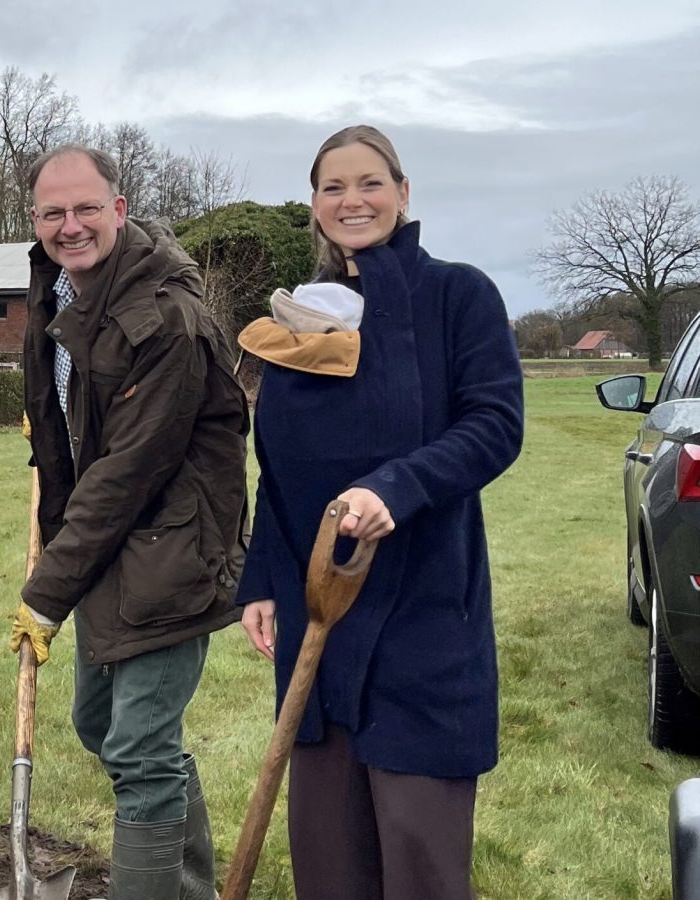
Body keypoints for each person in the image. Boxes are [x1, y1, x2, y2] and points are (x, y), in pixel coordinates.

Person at [234, 124, 524, 899]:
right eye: (333, 186)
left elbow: (495, 425)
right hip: (316, 620)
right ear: (315, 205)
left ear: (402, 192)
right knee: (330, 869)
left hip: (424, 617)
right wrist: (262, 578)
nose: (352, 200)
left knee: (419, 865)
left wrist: (395, 488)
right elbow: (279, 469)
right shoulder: (301, 320)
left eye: (370, 183)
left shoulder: (457, 296)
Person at [7, 146, 247, 900]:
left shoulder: (164, 318)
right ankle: (191, 890)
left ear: (119, 209)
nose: (69, 225)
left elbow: (130, 470)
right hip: (114, 551)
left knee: (141, 751)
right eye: (53, 212)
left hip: (170, 550)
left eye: (85, 209)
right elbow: (90, 433)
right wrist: (54, 418)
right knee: (99, 725)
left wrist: (47, 594)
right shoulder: (63, 293)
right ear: (36, 220)